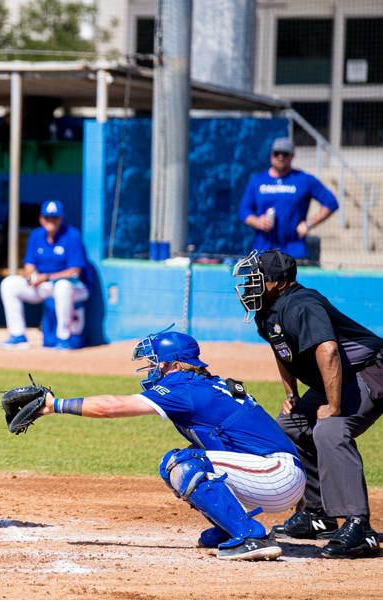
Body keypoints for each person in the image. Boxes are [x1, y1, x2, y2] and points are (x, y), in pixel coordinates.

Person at [31, 328, 305, 560]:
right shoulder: (202, 384)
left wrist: (55, 404)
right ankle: (229, 526)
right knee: (184, 460)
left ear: (174, 364)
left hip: (275, 475)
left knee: (182, 464)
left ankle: (250, 536)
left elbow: (111, 407)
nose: (152, 369)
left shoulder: (184, 388)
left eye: (156, 363)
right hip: (272, 472)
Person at [233, 249, 383, 558]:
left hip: (371, 370)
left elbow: (327, 351)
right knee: (290, 425)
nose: (249, 284)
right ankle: (317, 514)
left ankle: (359, 527)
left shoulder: (302, 304)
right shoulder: (267, 308)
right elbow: (282, 349)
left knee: (330, 430)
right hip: (344, 376)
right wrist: (292, 394)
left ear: (279, 282)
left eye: (256, 277)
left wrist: (334, 406)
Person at [0, 199, 89, 350]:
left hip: (76, 287)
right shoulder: (36, 235)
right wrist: (32, 276)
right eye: (47, 217)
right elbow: (29, 264)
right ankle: (18, 335)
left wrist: (45, 277)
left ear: (61, 218)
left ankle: (63, 338)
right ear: (41, 219)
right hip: (46, 286)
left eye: (54, 217)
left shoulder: (72, 235)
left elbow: (75, 271)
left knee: (62, 286)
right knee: (9, 284)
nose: (51, 221)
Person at [239, 137, 338, 261]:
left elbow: (331, 202)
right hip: (263, 249)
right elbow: (244, 211)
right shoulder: (257, 181)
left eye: (285, 154)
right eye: (277, 153)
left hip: (294, 251)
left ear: (292, 156)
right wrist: (258, 221)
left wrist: (309, 224)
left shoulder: (304, 180)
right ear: (271, 155)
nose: (280, 157)